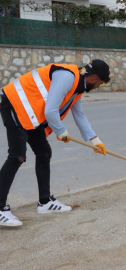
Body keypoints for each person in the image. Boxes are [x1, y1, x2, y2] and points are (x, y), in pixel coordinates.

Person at [0, 59, 111, 226]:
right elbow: (51, 110)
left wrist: (95, 140)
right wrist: (61, 131)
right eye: (101, 84)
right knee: (17, 156)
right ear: (94, 78)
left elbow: (79, 115)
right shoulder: (67, 77)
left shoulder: (78, 87)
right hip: (14, 105)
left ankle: (45, 202)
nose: (98, 87)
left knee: (44, 153)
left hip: (30, 112)